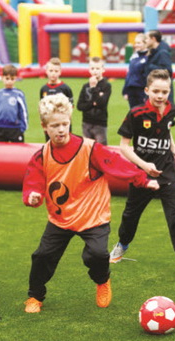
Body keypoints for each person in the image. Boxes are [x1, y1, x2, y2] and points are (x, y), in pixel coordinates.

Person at [22, 93, 159, 313]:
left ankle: (102, 280)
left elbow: (116, 164)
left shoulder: (90, 148)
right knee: (42, 256)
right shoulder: (42, 155)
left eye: (65, 124)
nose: (61, 129)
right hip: (61, 219)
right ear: (44, 126)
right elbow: (33, 182)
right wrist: (32, 196)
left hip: (92, 217)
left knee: (97, 255)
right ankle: (35, 297)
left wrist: (142, 179)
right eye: (55, 125)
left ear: (70, 121)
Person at [110, 69, 175, 280]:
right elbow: (124, 147)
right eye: (156, 91)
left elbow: (166, 130)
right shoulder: (135, 114)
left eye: (164, 91)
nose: (160, 96)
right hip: (142, 174)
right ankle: (122, 244)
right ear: (146, 90)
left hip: (167, 172)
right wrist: (144, 166)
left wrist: (174, 149)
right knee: (130, 215)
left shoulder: (172, 110)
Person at [0, 64, 28, 142]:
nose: (9, 81)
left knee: (17, 152)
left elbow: (23, 111)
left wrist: (23, 127)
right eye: (7, 78)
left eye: (12, 79)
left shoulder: (19, 94)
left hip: (15, 128)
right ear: (2, 78)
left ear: (15, 79)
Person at [76, 57, 111, 145]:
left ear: (103, 69)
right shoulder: (85, 86)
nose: (95, 71)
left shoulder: (106, 86)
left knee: (101, 149)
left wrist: (94, 88)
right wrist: (93, 103)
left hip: (100, 123)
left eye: (97, 68)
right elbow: (80, 106)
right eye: (92, 68)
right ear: (89, 70)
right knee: (87, 149)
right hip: (86, 122)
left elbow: (101, 104)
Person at [40, 57, 74, 140]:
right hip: (50, 125)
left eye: (56, 71)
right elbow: (42, 108)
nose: (53, 73)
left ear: (60, 72)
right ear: (46, 71)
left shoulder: (65, 88)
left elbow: (71, 108)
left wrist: (67, 123)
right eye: (51, 71)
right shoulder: (44, 89)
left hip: (62, 125)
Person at [144, 30, 174, 102]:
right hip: (155, 90)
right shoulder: (153, 52)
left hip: (161, 91)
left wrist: (151, 67)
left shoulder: (162, 52)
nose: (145, 41)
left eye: (147, 38)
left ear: (153, 39)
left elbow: (168, 71)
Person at [122, 33, 148, 108]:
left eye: (139, 43)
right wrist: (125, 91)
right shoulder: (134, 57)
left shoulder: (148, 57)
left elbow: (147, 76)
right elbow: (129, 74)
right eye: (135, 43)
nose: (136, 45)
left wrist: (147, 93)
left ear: (145, 43)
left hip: (142, 90)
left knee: (144, 113)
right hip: (132, 90)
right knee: (133, 114)